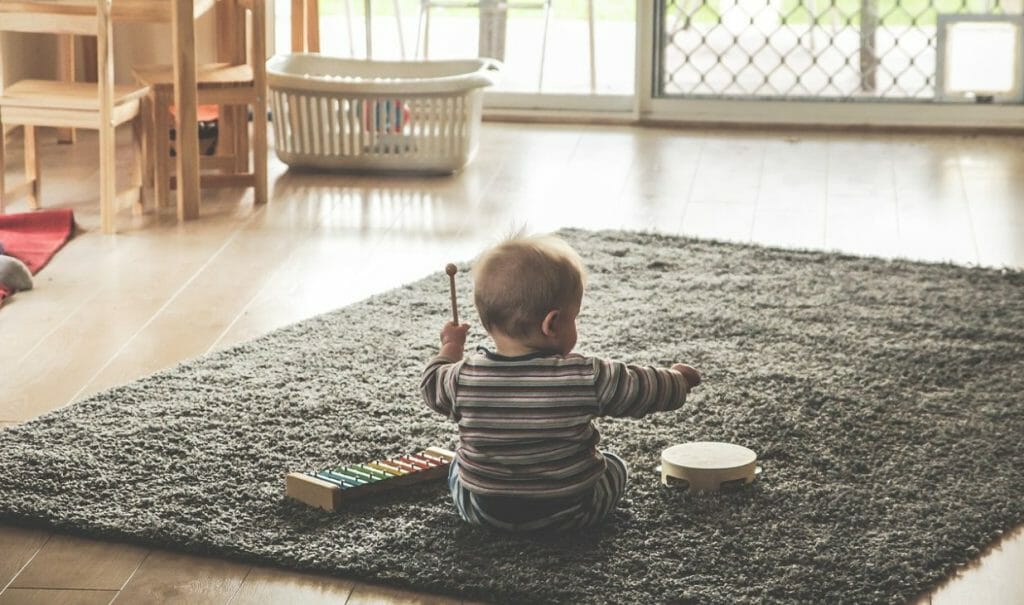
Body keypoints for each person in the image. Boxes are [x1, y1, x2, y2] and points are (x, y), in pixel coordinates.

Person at [421, 233, 701, 531]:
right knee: (615, 465)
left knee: (457, 465)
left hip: (484, 511)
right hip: (571, 511)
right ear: (552, 324)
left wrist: (450, 347)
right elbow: (642, 388)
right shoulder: (585, 376)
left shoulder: (461, 378)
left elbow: (430, 383)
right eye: (574, 318)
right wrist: (679, 380)